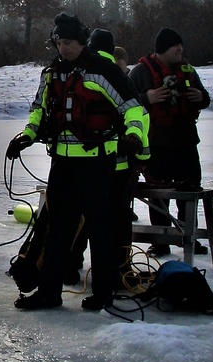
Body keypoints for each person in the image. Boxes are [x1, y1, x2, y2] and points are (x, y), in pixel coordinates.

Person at [6, 13, 147, 311]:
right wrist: (27, 135)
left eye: (68, 42)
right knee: (57, 229)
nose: (63, 48)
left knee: (100, 229)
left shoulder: (103, 71)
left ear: (82, 42)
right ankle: (48, 292)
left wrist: (133, 135)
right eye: (59, 42)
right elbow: (39, 109)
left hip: (98, 163)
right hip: (63, 163)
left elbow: (133, 108)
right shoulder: (52, 73)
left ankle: (104, 293)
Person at [67, 29, 150, 287]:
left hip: (85, 163)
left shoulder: (81, 73)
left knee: (81, 219)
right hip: (120, 166)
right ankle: (118, 269)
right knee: (117, 220)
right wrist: (143, 156)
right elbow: (140, 118)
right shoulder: (118, 77)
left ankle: (70, 267)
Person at [128, 27, 211, 257]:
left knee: (190, 190)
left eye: (181, 47)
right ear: (163, 49)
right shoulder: (141, 72)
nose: (181, 51)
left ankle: (189, 236)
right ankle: (160, 240)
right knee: (158, 194)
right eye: (176, 47)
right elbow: (124, 101)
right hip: (157, 143)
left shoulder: (188, 71)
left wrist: (201, 97)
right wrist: (148, 98)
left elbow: (206, 98)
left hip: (185, 142)